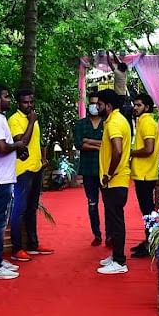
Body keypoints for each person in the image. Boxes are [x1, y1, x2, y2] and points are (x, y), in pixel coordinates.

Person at [0, 84, 34, 281]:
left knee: (1, 222)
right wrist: (18, 145)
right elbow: (2, 148)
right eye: (6, 96)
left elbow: (6, 147)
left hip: (5, 176)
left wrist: (17, 150)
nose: (9, 99)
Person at [8, 88, 53, 261]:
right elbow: (22, 143)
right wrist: (31, 122)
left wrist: (42, 159)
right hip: (22, 170)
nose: (29, 105)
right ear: (18, 103)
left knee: (32, 208)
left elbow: (36, 142)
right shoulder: (15, 120)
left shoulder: (32, 119)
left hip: (36, 168)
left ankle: (33, 245)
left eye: (31, 102)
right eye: (25, 102)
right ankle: (17, 248)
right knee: (19, 209)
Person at [96, 89, 133, 274]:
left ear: (108, 106)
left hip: (115, 180)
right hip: (115, 180)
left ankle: (119, 261)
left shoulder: (115, 123)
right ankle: (116, 256)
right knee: (113, 219)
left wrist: (109, 173)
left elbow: (117, 150)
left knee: (116, 221)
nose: (96, 107)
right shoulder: (114, 120)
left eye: (99, 104)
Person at [128, 93, 159, 258]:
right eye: (134, 104)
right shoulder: (142, 121)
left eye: (139, 105)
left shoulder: (147, 122)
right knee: (146, 211)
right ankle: (148, 240)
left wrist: (130, 152)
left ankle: (151, 244)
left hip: (146, 174)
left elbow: (148, 149)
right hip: (142, 173)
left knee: (148, 211)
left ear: (147, 107)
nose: (135, 107)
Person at [72, 90, 105, 245]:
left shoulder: (108, 122)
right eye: (91, 103)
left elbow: (110, 144)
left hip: (105, 169)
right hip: (88, 169)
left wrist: (89, 142)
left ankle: (111, 235)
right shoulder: (80, 124)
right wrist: (100, 145)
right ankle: (97, 234)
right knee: (92, 203)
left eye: (97, 103)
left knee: (109, 204)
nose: (94, 106)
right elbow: (79, 144)